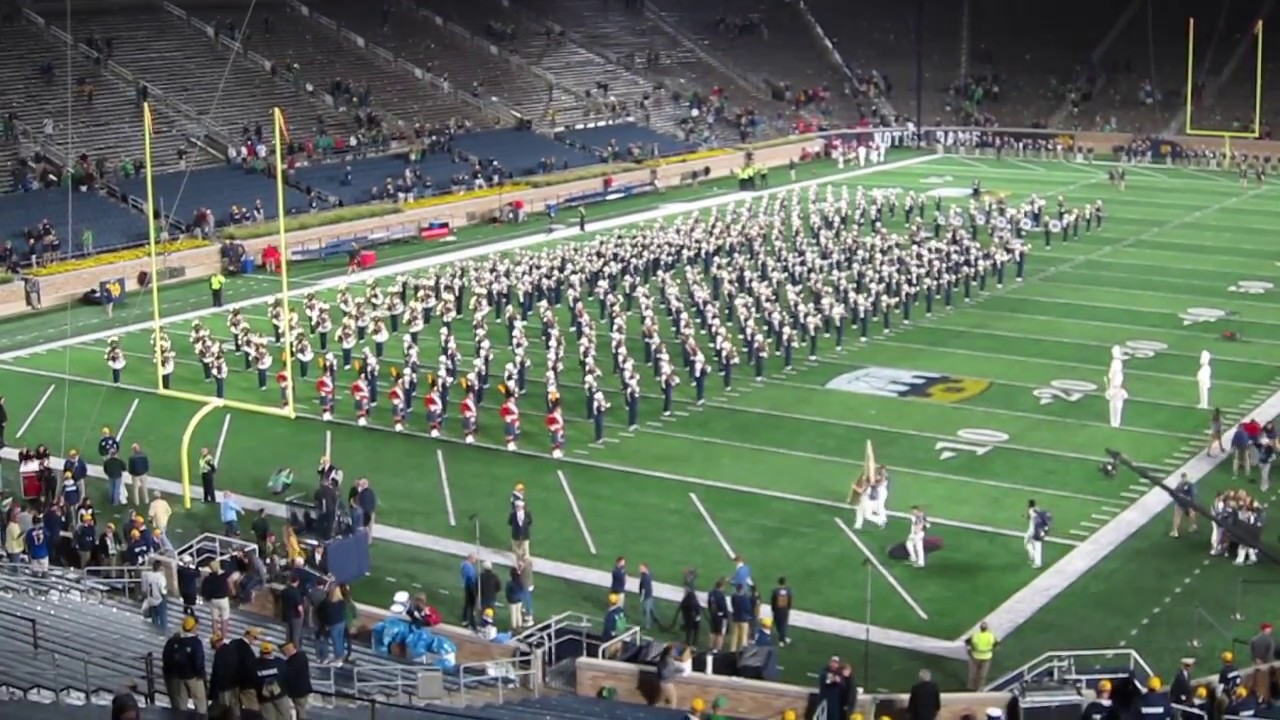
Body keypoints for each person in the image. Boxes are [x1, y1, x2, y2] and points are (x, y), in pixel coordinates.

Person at [283, 641, 313, 719]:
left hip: (298, 692)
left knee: (300, 710)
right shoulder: (302, 656)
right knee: (301, 709)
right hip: (304, 689)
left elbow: (289, 674)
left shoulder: (291, 662)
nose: (284, 653)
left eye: (285, 651)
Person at [966, 620, 998, 690]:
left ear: (980, 628)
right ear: (987, 628)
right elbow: (996, 644)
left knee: (973, 675)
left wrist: (969, 650)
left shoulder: (975, 635)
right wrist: (991, 650)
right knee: (982, 676)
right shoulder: (991, 636)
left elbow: (967, 642)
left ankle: (971, 689)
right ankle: (980, 689)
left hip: (975, 657)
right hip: (986, 658)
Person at [141, 559, 169, 630]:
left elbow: (144, 588)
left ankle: (155, 634)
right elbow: (163, 590)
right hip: (159, 599)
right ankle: (163, 632)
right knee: (163, 618)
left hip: (150, 599)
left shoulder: (147, 575)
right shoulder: (160, 577)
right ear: (160, 568)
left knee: (154, 618)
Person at [281, 573, 305, 649]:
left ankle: (288, 650)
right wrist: (302, 615)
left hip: (286, 615)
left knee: (288, 635)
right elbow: (299, 607)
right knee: (295, 636)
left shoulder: (284, 591)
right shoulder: (296, 593)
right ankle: (296, 652)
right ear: (297, 581)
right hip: (296, 616)